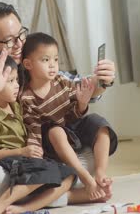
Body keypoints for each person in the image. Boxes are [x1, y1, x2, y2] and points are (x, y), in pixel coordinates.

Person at [0, 2, 117, 210]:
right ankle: (66, 194)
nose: (18, 44)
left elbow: (74, 85)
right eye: (9, 41)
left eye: (21, 35)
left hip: (34, 161)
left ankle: (50, 186)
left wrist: (102, 80)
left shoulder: (29, 63)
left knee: (86, 153)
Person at [0, 51, 77, 214]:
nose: (17, 85)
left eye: (17, 80)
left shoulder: (15, 106)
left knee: (69, 174)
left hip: (27, 158)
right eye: (10, 81)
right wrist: (22, 151)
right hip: (11, 160)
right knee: (46, 170)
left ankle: (26, 208)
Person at [20, 32, 118, 200]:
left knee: (99, 122)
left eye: (55, 60)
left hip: (72, 128)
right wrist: (35, 157)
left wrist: (82, 104)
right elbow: (34, 130)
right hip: (54, 141)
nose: (52, 65)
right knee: (55, 131)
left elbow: (75, 114)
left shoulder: (62, 81)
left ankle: (100, 173)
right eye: (45, 60)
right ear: (28, 64)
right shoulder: (26, 97)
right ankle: (85, 177)